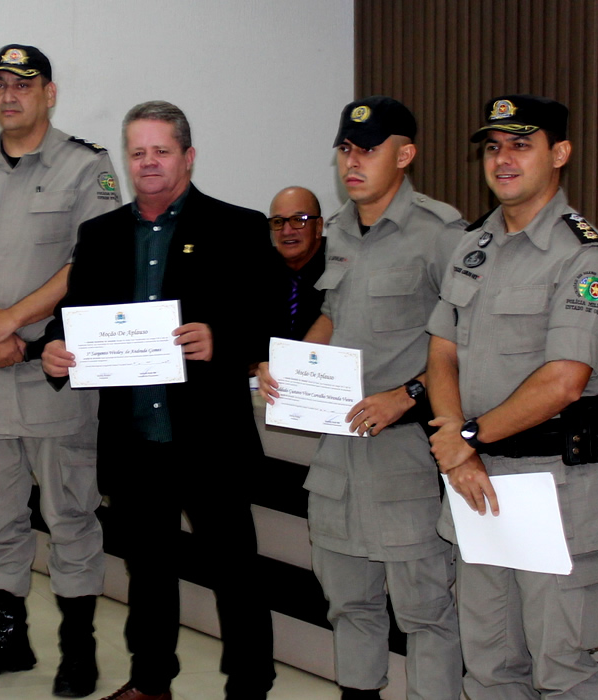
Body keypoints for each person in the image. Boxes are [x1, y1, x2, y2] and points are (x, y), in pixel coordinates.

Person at [43, 100, 276, 700]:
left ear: (188, 156)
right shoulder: (98, 236)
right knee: (147, 572)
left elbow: (273, 319)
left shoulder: (238, 227)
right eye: (138, 152)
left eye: (161, 151)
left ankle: (249, 687)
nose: (148, 163)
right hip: (134, 439)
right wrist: (53, 350)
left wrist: (224, 341)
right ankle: (151, 682)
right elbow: (71, 320)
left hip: (210, 438)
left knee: (235, 573)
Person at [0, 44, 121, 697]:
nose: (10, 94)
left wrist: (11, 321)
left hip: (51, 373)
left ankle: (77, 647)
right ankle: (10, 638)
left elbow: (93, 262)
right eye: (1, 84)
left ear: (49, 92)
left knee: (70, 516)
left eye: (23, 84)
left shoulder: (86, 167)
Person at [258, 96, 465, 700]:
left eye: (368, 149)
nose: (353, 161)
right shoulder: (342, 229)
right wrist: (290, 362)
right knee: (349, 605)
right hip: (338, 459)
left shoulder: (439, 232)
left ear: (404, 154)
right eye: (346, 149)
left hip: (404, 459)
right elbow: (332, 313)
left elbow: (463, 340)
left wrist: (407, 394)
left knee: (425, 614)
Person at [427, 95, 598, 700]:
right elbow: (442, 351)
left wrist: (464, 439)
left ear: (559, 154)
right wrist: (459, 441)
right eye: (492, 147)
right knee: (489, 667)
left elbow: (564, 379)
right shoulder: (472, 247)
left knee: (561, 672)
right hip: (479, 484)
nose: (502, 159)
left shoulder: (585, 256)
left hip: (557, 491)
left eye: (521, 144)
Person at [267, 186, 326, 341]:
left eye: (299, 220)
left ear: (319, 226)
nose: (287, 231)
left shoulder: (341, 266)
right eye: (278, 222)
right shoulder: (260, 268)